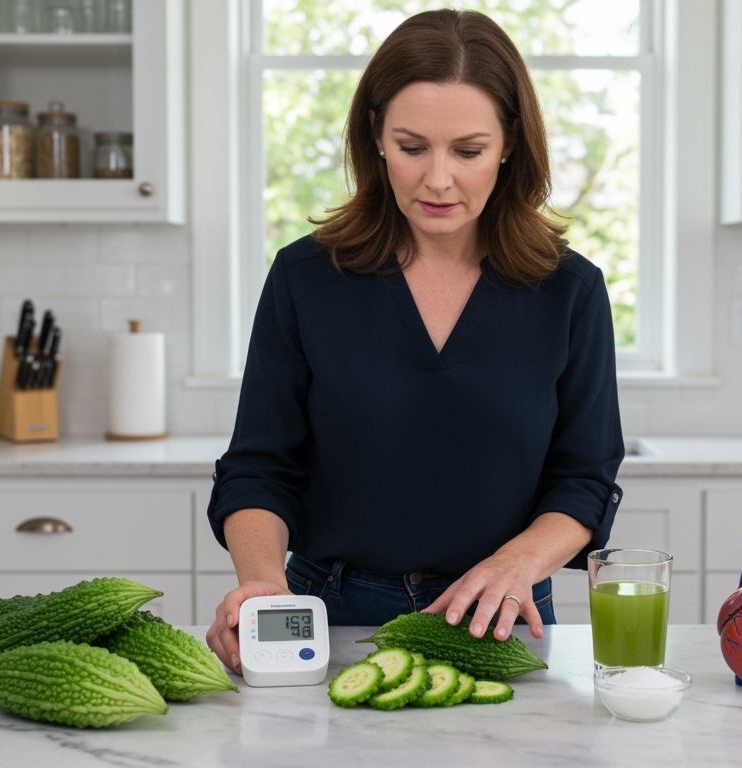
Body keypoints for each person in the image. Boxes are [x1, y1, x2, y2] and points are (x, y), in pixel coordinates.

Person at [205, 8, 623, 674]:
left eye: (468, 150)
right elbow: (259, 466)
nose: (437, 179)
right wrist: (261, 583)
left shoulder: (568, 290)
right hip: (330, 612)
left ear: (510, 143)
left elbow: (584, 479)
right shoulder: (305, 278)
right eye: (411, 146)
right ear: (375, 136)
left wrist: (515, 565)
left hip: (499, 616)